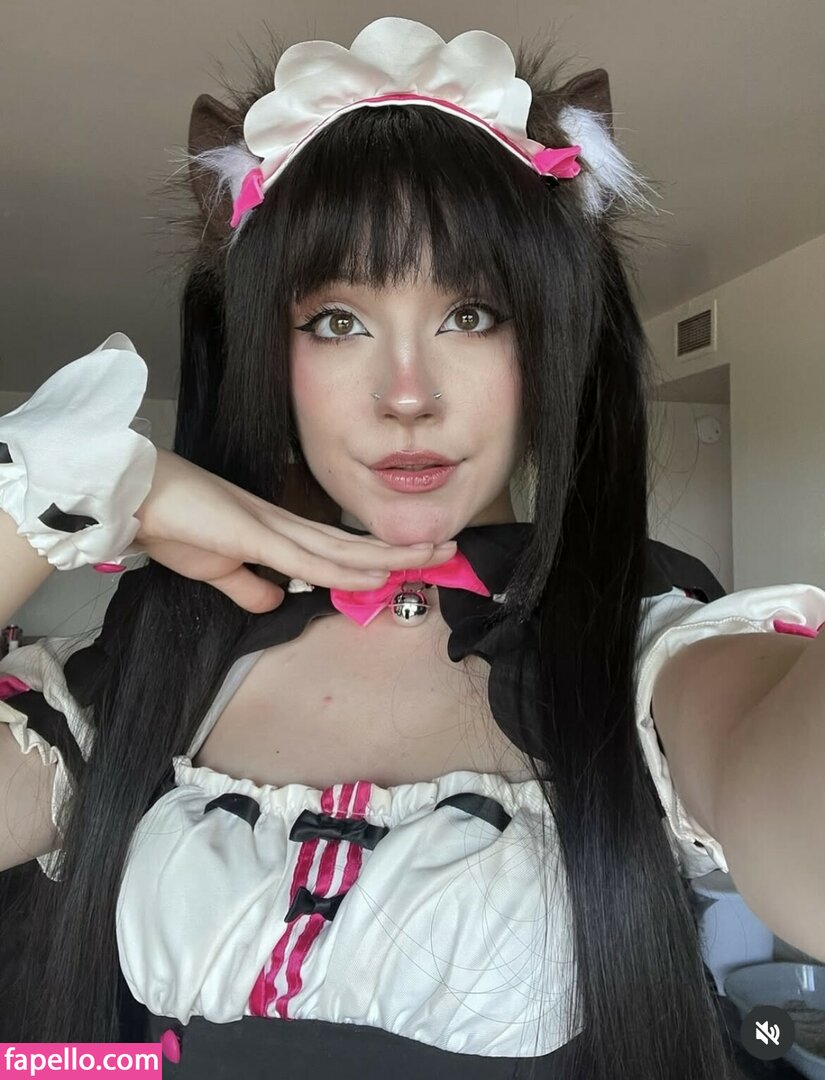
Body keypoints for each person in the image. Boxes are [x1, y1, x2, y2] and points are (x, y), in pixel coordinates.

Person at [0, 16, 822, 1080]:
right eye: (336, 322)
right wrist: (58, 493)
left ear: (549, 343)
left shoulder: (644, 650)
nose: (406, 396)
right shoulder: (164, 653)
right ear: (272, 357)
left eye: (472, 315)